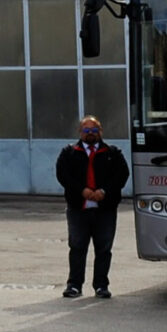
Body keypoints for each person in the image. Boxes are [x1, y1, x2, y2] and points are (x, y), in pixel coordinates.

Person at [58, 115, 130, 299]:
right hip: (78, 209)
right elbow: (63, 175)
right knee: (77, 247)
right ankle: (74, 285)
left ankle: (101, 285)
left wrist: (104, 191)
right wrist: (81, 190)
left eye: (94, 130)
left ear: (100, 132)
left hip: (105, 210)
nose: (90, 134)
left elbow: (122, 175)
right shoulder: (69, 153)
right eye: (86, 130)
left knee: (104, 249)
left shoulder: (112, 153)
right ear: (80, 132)